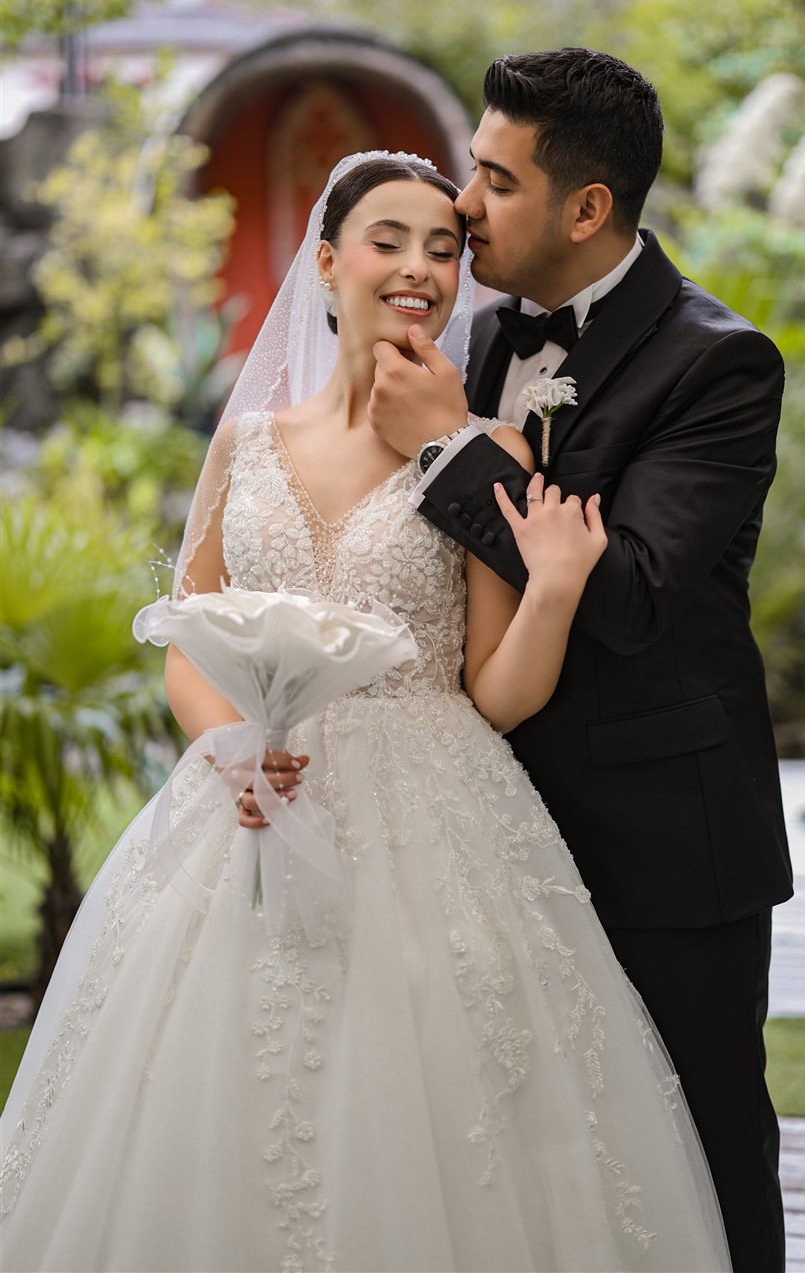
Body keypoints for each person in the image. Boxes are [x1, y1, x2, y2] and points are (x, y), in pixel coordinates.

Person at [0, 152, 732, 1273]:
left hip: (433, 820)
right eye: (388, 240)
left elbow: (496, 692)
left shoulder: (494, 449)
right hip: (246, 806)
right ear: (326, 260)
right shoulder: (246, 444)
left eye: (443, 248)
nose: (419, 268)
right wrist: (231, 748)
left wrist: (552, 589)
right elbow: (190, 636)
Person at [368, 50, 793, 1273]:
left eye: (496, 181)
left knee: (705, 1154)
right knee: (537, 1167)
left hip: (662, 842)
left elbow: (635, 592)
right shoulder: (474, 336)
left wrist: (452, 451)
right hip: (485, 833)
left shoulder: (721, 363)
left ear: (587, 206)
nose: (463, 205)